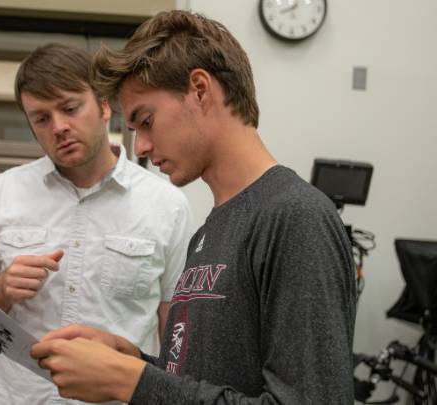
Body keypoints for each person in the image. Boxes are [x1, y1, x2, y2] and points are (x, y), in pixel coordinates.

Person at [31, 10, 356, 404]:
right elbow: (202, 382)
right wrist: (133, 361)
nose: (143, 149)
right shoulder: (209, 231)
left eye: (146, 121)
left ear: (200, 90)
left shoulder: (295, 218)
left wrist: (134, 383)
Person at [0, 43, 193, 405]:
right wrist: (1, 288)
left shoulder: (167, 204)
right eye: (41, 118)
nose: (59, 127)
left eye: (70, 108)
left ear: (102, 106)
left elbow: (175, 332)